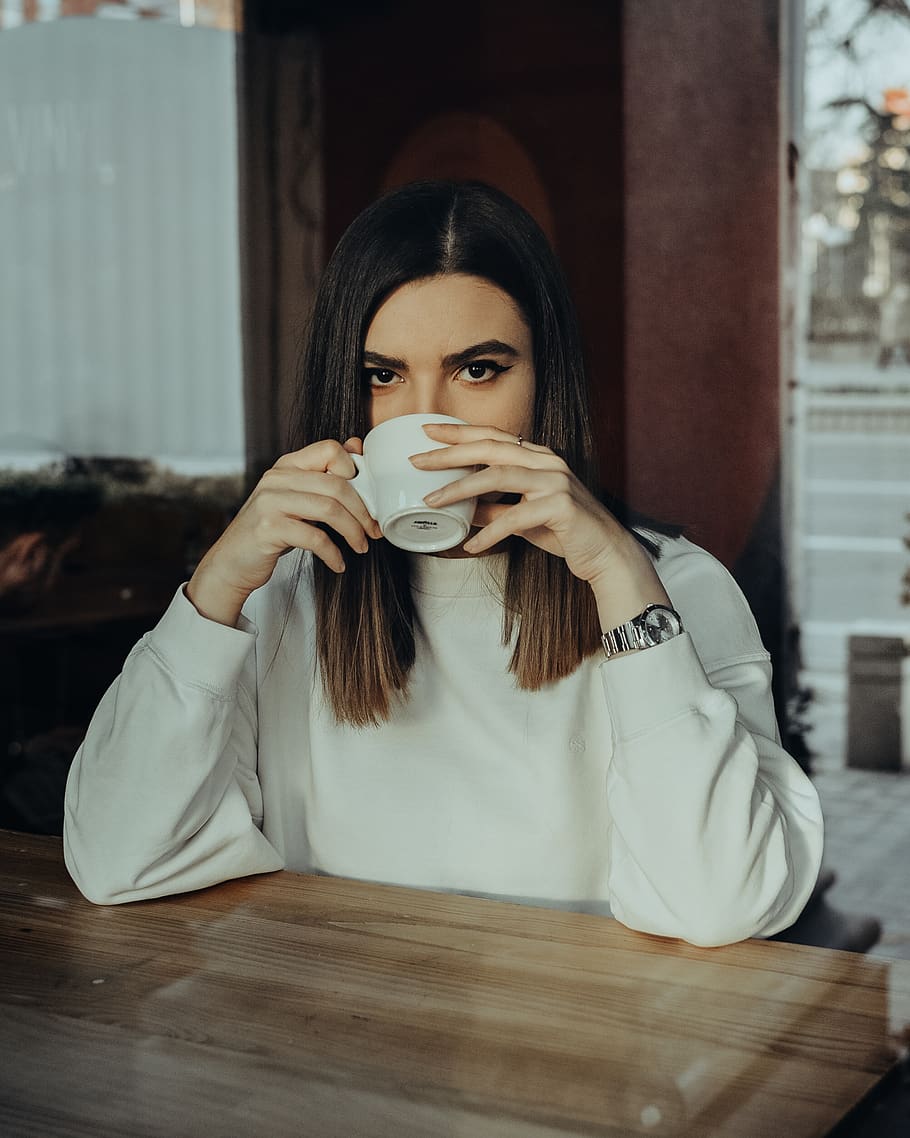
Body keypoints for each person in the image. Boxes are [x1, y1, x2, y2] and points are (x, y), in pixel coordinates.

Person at [63, 180, 823, 947]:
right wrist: (217, 585)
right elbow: (119, 859)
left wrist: (620, 578)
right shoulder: (284, 586)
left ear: (545, 381)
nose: (428, 426)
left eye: (478, 370)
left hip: (583, 1049)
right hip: (329, 1042)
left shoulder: (670, 587)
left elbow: (720, 902)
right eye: (382, 377)